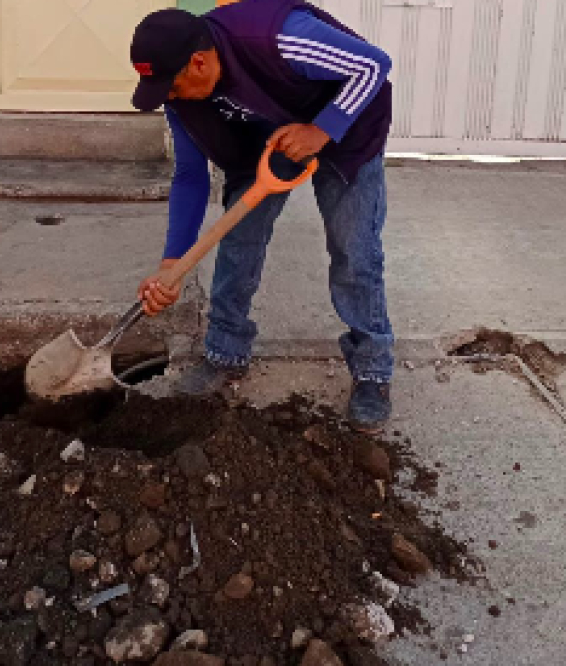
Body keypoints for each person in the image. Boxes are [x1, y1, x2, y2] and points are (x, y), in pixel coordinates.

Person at [130, 0, 394, 433]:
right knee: (239, 240)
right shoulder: (181, 101)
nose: (171, 99)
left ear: (198, 62)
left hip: (345, 130)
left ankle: (372, 372)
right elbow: (191, 178)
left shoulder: (279, 37)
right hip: (271, 135)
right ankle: (225, 351)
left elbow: (372, 66)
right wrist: (171, 266)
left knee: (355, 251)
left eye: (172, 87)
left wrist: (321, 130)